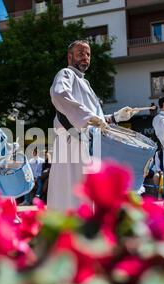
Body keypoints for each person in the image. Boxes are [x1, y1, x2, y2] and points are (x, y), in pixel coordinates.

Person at [47, 39, 139, 212]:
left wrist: (115, 116)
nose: (85, 57)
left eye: (88, 54)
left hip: (88, 145)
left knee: (86, 193)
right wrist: (89, 117)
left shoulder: (86, 83)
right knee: (72, 192)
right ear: (69, 56)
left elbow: (95, 119)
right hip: (72, 141)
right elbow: (58, 94)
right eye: (81, 53)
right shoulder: (66, 74)